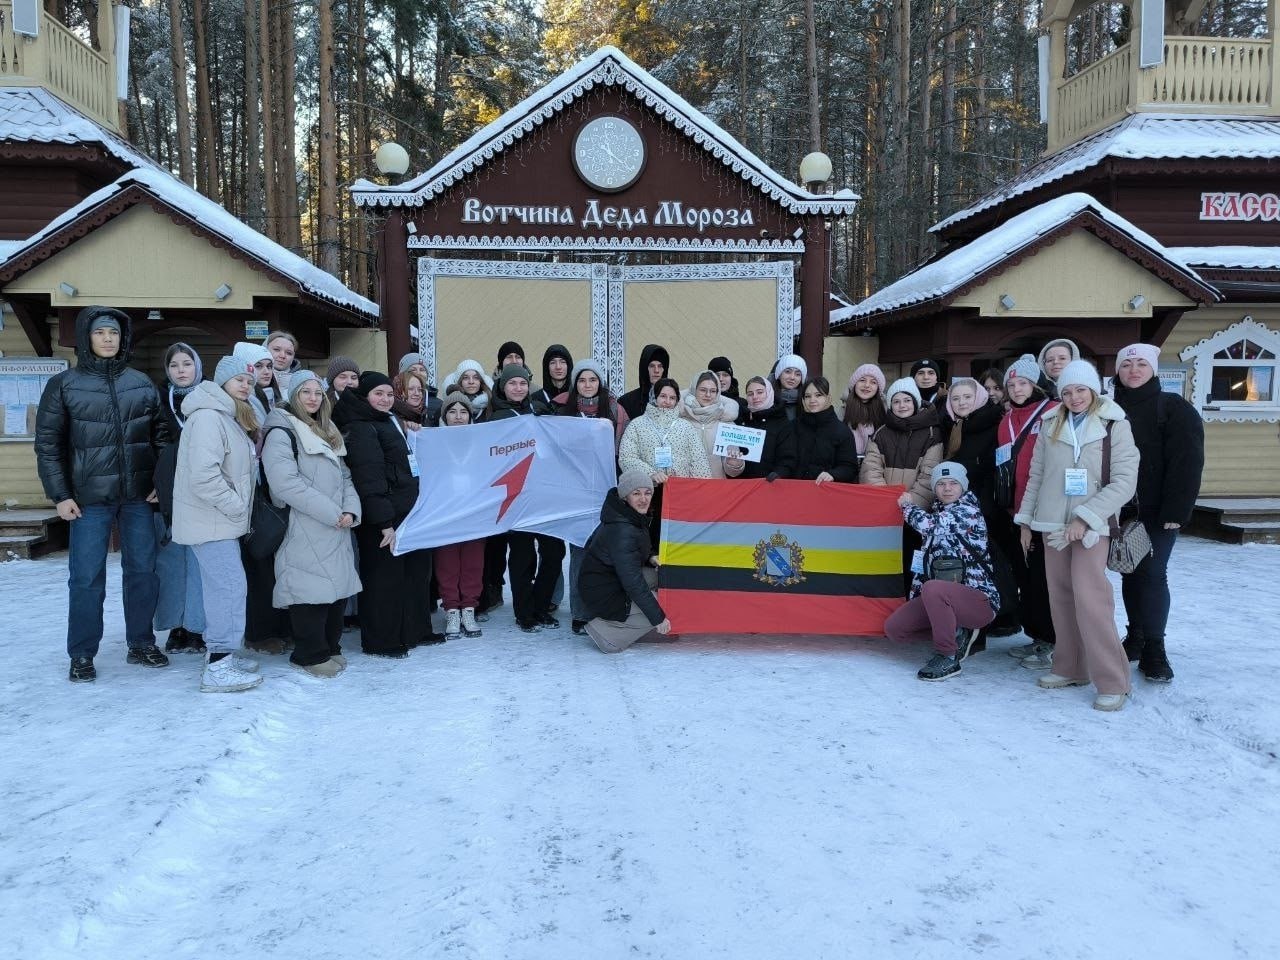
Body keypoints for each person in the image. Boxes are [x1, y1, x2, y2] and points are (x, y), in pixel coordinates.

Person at [35, 306, 172, 683]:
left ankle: (141, 643)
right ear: (86, 338)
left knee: (143, 572)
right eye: (100, 333)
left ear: (123, 337)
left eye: (114, 332)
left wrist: (161, 484)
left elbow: (161, 439)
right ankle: (81, 653)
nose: (108, 339)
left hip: (138, 498)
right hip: (88, 500)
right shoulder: (64, 385)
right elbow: (48, 445)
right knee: (86, 578)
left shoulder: (141, 383)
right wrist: (60, 494)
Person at [1015, 359, 1137, 711]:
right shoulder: (1050, 423)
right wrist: (1026, 521)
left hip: (1092, 528)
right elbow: (1036, 476)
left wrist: (1085, 518)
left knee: (1092, 600)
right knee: (1061, 598)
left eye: (1080, 389)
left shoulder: (1115, 425)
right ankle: (1070, 667)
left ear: (1094, 390)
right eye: (1066, 391)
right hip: (1052, 525)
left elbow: (1125, 481)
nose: (1074, 397)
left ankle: (1113, 680)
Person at [1112, 342, 1205, 683]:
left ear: (1153, 369)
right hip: (1121, 509)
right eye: (1127, 364)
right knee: (1129, 571)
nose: (1133, 370)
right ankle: (1135, 636)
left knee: (1152, 574)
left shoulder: (1173, 408)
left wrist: (1177, 509)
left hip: (1158, 511)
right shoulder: (1110, 408)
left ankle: (1155, 648)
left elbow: (1187, 462)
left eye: (1140, 364)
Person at [171, 355, 265, 693]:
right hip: (212, 519)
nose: (245, 384)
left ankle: (222, 654)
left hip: (217, 520)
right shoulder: (210, 418)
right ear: (221, 381)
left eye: (249, 381)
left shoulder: (225, 415)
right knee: (228, 587)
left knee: (223, 588)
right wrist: (237, 505)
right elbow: (204, 476)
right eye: (239, 378)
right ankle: (219, 667)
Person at [260, 370, 361, 678]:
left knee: (334, 592)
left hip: (335, 524)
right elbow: (285, 484)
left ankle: (329, 647)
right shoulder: (282, 432)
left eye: (317, 393)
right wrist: (333, 512)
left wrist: (350, 509)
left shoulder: (325, 429)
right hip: (304, 524)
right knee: (309, 593)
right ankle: (309, 653)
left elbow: (344, 475)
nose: (313, 398)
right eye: (306, 392)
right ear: (294, 396)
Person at [333, 371, 434, 657]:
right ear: (365, 396)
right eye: (378, 394)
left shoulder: (387, 419)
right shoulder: (360, 426)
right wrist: (384, 523)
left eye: (390, 394)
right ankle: (382, 640)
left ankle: (414, 630)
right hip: (384, 519)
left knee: (413, 575)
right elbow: (369, 479)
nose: (385, 399)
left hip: (407, 513)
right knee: (383, 580)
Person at [885, 462, 1001, 680]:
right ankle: (955, 630)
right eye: (941, 484)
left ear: (963, 486)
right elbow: (923, 566)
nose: (947, 488)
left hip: (980, 601)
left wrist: (907, 506)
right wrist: (915, 602)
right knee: (895, 629)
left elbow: (928, 525)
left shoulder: (968, 512)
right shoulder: (937, 511)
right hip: (942, 597)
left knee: (934, 588)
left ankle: (948, 656)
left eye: (953, 483)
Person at [488, 363, 565, 632]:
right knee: (522, 556)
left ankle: (541, 606)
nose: (518, 388)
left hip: (545, 494)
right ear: (503, 386)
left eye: (522, 383)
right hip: (516, 495)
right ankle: (524, 612)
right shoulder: (496, 418)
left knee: (554, 552)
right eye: (512, 384)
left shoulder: (540, 410)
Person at [997, 355, 1059, 668]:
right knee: (1024, 577)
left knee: (1042, 579)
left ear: (1035, 383)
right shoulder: (1007, 417)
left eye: (1023, 383)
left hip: (1041, 511)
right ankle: (1036, 636)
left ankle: (1052, 639)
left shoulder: (1051, 412)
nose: (1018, 389)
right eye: (1012, 384)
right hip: (1014, 509)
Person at [861, 377, 945, 593]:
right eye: (896, 401)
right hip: (885, 513)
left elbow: (929, 475)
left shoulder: (931, 434)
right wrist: (886, 501)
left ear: (915, 402)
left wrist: (910, 505)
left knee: (911, 561)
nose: (902, 406)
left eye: (906, 400)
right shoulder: (881, 433)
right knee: (883, 562)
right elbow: (871, 469)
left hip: (915, 513)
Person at [151, 342, 207, 654]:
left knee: (199, 565)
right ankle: (175, 626)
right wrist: (153, 483)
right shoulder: (157, 401)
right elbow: (146, 444)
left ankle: (198, 626)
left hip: (201, 494)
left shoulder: (211, 399)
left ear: (197, 367)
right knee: (171, 564)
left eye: (187, 364)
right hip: (167, 495)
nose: (181, 370)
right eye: (175, 365)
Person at [579, 470, 673, 653]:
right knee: (664, 606)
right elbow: (633, 582)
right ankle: (606, 634)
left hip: (612, 579)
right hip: (603, 591)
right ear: (625, 497)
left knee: (665, 578)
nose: (643, 499)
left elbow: (633, 551)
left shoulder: (629, 516)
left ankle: (632, 620)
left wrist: (650, 556)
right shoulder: (622, 529)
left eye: (647, 493)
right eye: (636, 493)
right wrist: (658, 618)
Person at [619, 377, 712, 553]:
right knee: (649, 546)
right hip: (647, 496)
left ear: (677, 400)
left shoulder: (686, 428)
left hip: (680, 496)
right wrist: (651, 474)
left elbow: (699, 462)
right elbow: (626, 457)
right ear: (654, 397)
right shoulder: (637, 425)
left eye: (672, 398)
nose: (667, 402)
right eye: (663, 396)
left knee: (677, 547)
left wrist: (703, 494)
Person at [432, 390, 487, 641]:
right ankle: (452, 609)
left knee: (473, 563)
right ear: (445, 416)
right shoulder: (434, 441)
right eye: (452, 411)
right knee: (448, 564)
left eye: (463, 411)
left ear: (470, 416)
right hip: (446, 514)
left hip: (474, 513)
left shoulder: (480, 441)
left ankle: (469, 609)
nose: (458, 416)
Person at [791, 377, 859, 483]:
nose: (812, 400)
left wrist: (833, 474)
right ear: (803, 400)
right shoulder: (793, 427)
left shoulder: (842, 431)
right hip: (795, 492)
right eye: (807, 396)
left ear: (828, 397)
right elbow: (785, 460)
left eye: (818, 395)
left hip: (827, 493)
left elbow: (849, 467)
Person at [732, 376, 796, 480]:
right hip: (743, 487)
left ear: (769, 393)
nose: (755, 397)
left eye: (760, 392)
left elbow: (788, 458)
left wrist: (779, 474)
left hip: (770, 487)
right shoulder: (741, 422)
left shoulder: (782, 424)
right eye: (750, 394)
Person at [679, 370, 740, 479]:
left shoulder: (726, 423)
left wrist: (734, 463)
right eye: (703, 390)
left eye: (713, 391)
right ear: (694, 390)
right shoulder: (680, 421)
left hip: (715, 489)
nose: (708, 395)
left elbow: (733, 472)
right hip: (686, 488)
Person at [841, 363, 887, 465]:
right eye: (862, 380)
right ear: (854, 384)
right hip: (847, 467)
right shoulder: (842, 411)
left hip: (874, 468)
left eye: (873, 382)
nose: (867, 385)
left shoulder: (885, 413)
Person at [618, 343, 671, 420]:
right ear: (644, 369)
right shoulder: (627, 402)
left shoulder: (673, 400)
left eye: (660, 366)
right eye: (652, 366)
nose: (656, 371)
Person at [395, 353, 441, 426]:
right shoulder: (390, 404)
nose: (418, 373)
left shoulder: (439, 404)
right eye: (412, 370)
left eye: (422, 370)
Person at [533, 343, 573, 409]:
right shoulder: (535, 399)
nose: (558, 367)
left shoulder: (577, 399)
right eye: (553, 363)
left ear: (569, 366)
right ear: (547, 368)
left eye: (562, 362)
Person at [708, 356, 747, 420]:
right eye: (717, 375)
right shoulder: (702, 401)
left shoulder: (743, 404)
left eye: (725, 375)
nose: (721, 379)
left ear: (731, 378)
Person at [771, 354, 808, 421]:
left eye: (797, 374)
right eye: (788, 372)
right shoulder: (764, 397)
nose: (792, 377)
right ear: (779, 375)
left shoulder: (808, 401)